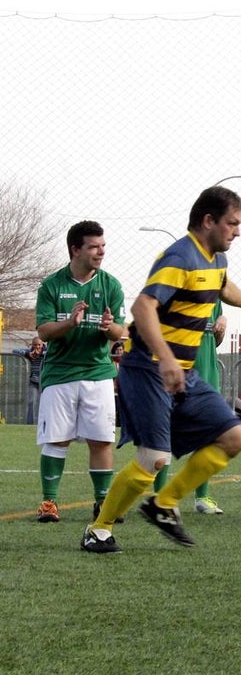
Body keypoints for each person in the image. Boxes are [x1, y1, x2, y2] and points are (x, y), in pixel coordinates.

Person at [81, 186, 241, 553]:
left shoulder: (215, 258)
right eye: (232, 223)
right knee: (153, 458)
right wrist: (167, 357)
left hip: (182, 373)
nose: (237, 231)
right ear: (208, 221)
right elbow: (142, 308)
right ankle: (100, 529)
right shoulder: (180, 257)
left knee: (234, 438)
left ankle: (163, 505)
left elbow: (223, 286)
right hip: (147, 369)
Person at [34, 221, 126, 523]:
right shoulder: (52, 285)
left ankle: (103, 504)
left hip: (98, 374)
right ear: (76, 249)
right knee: (56, 440)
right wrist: (70, 323)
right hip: (60, 374)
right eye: (94, 246)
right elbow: (44, 332)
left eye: (102, 245)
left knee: (101, 440)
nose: (101, 251)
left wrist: (109, 326)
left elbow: (119, 332)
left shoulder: (110, 285)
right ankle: (49, 503)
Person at [150, 302, 229, 514]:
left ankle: (202, 496)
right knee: (165, 434)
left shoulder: (213, 295)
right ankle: (161, 498)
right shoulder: (169, 288)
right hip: (176, 373)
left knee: (207, 436)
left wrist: (222, 324)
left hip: (206, 373)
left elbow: (215, 341)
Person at [11, 337, 46, 425]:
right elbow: (14, 351)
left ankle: (43, 422)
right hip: (33, 381)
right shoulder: (30, 351)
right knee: (31, 402)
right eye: (35, 345)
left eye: (39, 345)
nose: (37, 347)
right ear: (32, 345)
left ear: (42, 345)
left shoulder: (46, 352)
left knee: (45, 403)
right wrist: (28, 354)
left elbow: (52, 353)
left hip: (44, 382)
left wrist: (41, 354)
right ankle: (30, 423)